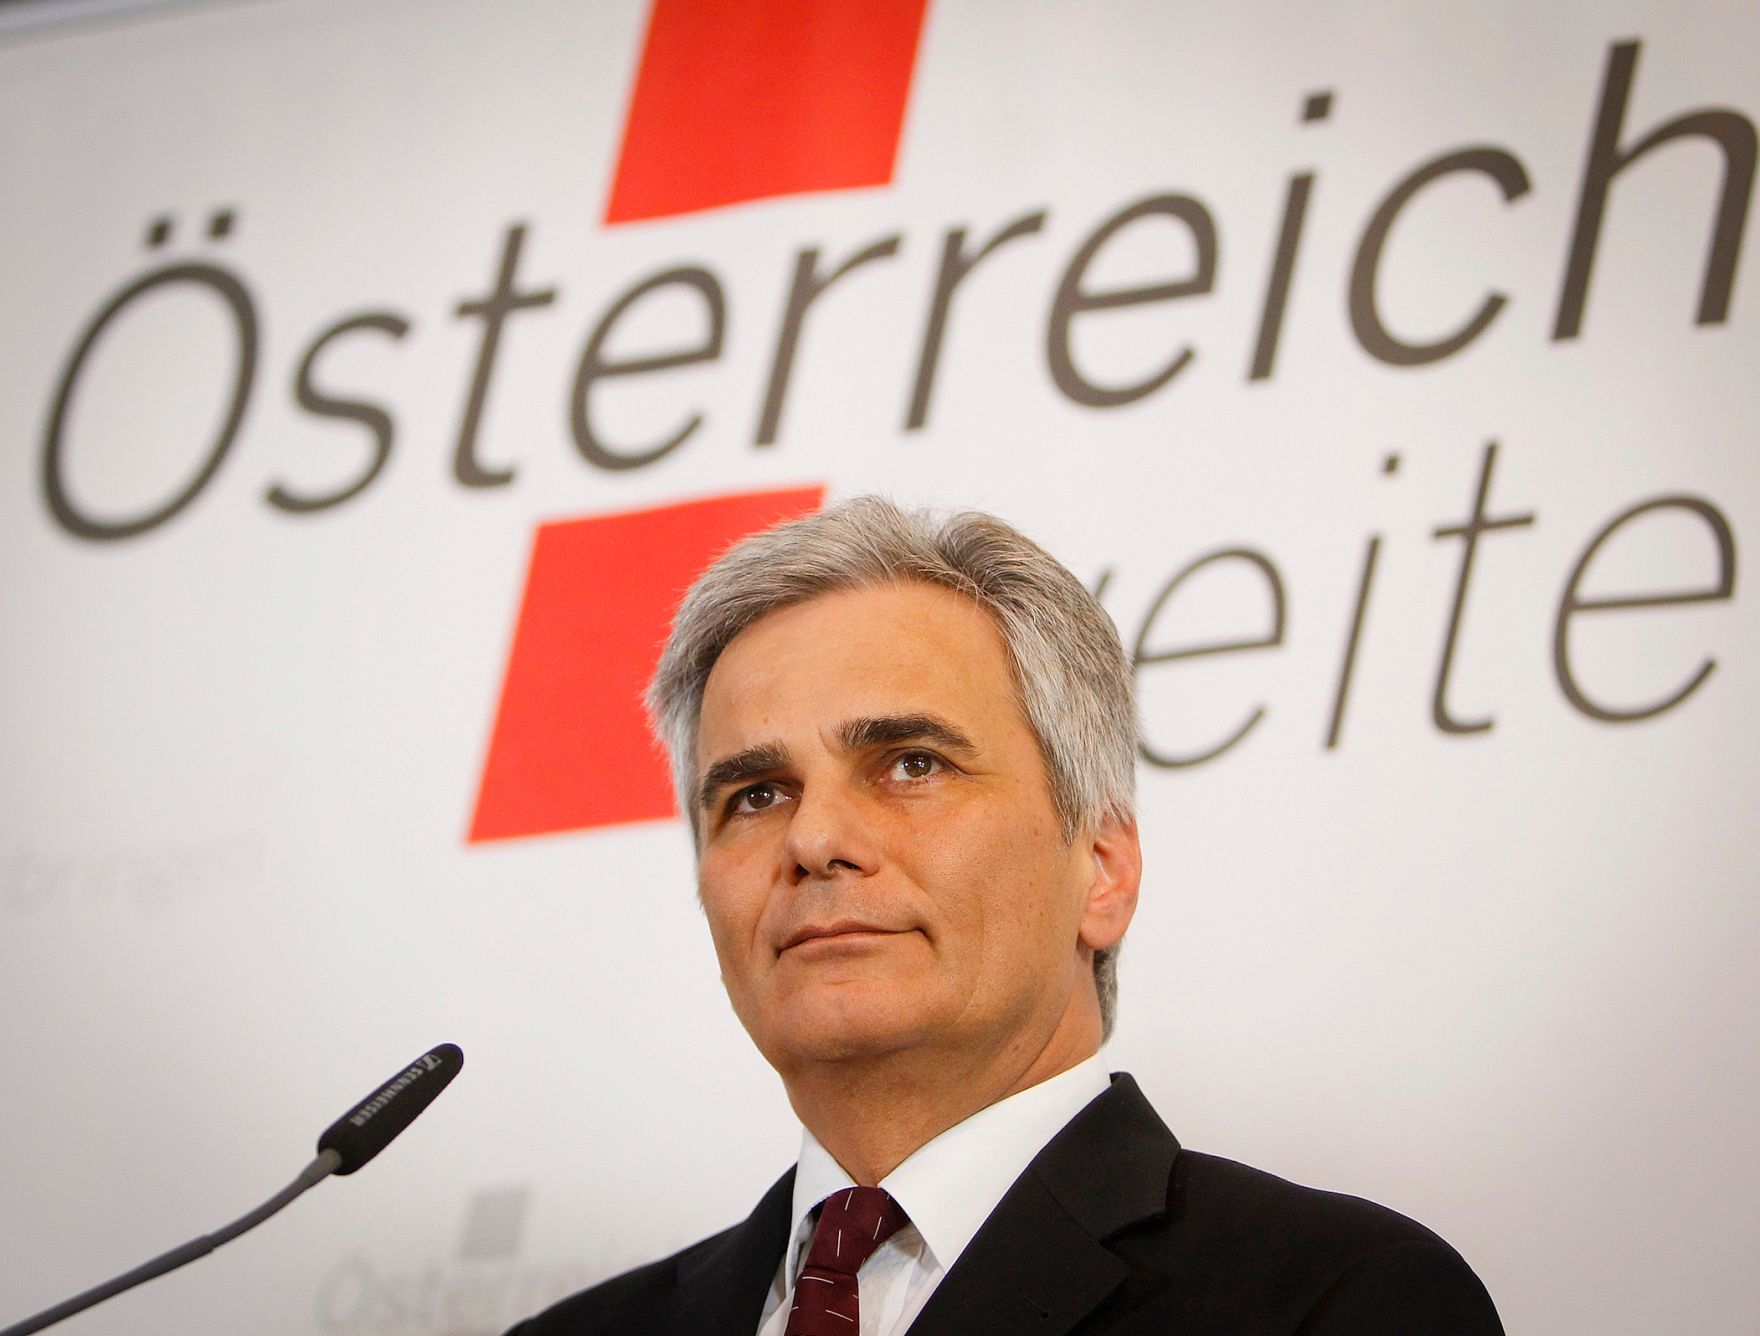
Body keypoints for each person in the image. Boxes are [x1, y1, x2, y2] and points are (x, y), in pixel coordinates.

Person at [508, 497, 1503, 1335]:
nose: (812, 839)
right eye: (757, 793)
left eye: (910, 764)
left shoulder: (1334, 1299)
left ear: (1102, 870)